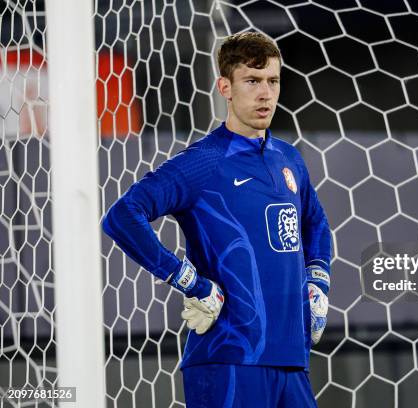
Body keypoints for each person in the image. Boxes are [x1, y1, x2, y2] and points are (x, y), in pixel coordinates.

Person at [102, 32, 332, 408]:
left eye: (273, 81)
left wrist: (318, 282)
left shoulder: (289, 159)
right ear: (225, 86)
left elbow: (316, 224)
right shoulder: (205, 162)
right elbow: (122, 216)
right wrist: (189, 281)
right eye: (252, 81)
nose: (266, 94)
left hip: (292, 360)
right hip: (228, 361)